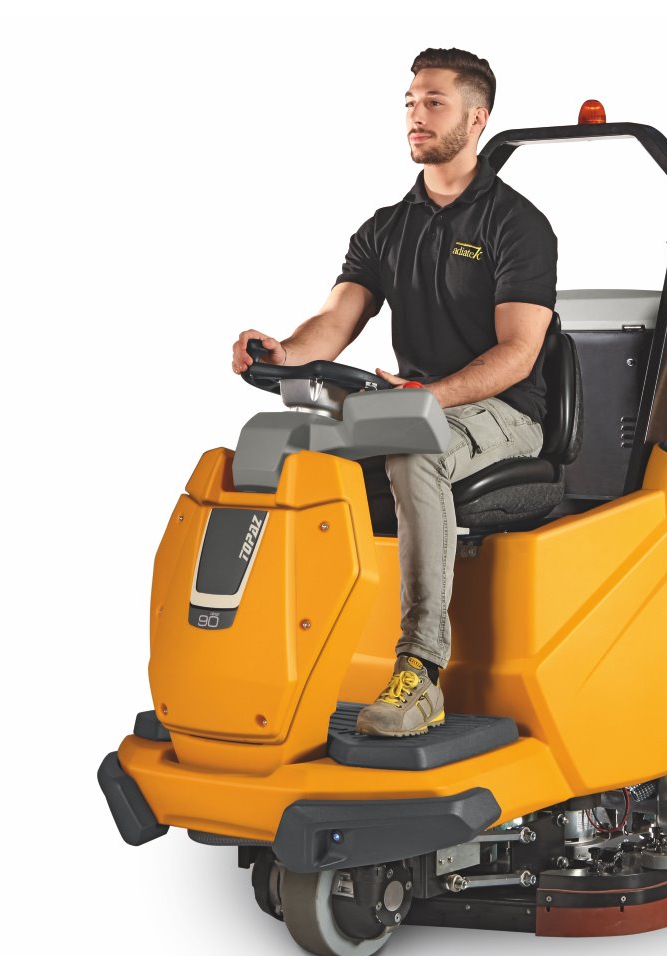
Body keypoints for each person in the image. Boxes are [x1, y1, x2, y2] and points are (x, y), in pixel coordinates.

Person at [231, 47, 557, 737]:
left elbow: (520, 354)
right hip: (417, 403)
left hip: (508, 414)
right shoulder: (386, 227)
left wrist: (428, 398)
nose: (416, 114)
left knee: (416, 454)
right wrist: (285, 353)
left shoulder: (517, 225)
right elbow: (336, 319)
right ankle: (291, 658)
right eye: (410, 101)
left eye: (433, 101)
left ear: (477, 119)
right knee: (295, 455)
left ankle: (421, 672)